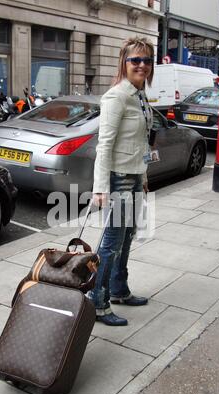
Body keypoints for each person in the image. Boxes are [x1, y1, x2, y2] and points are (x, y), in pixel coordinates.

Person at [88, 37, 154, 326]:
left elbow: (141, 142)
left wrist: (143, 177)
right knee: (112, 242)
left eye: (147, 60)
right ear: (124, 63)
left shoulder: (139, 96)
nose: (142, 65)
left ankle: (118, 289)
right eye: (135, 60)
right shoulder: (117, 96)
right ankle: (98, 303)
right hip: (117, 180)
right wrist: (101, 188)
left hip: (133, 177)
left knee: (127, 238)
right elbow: (104, 145)